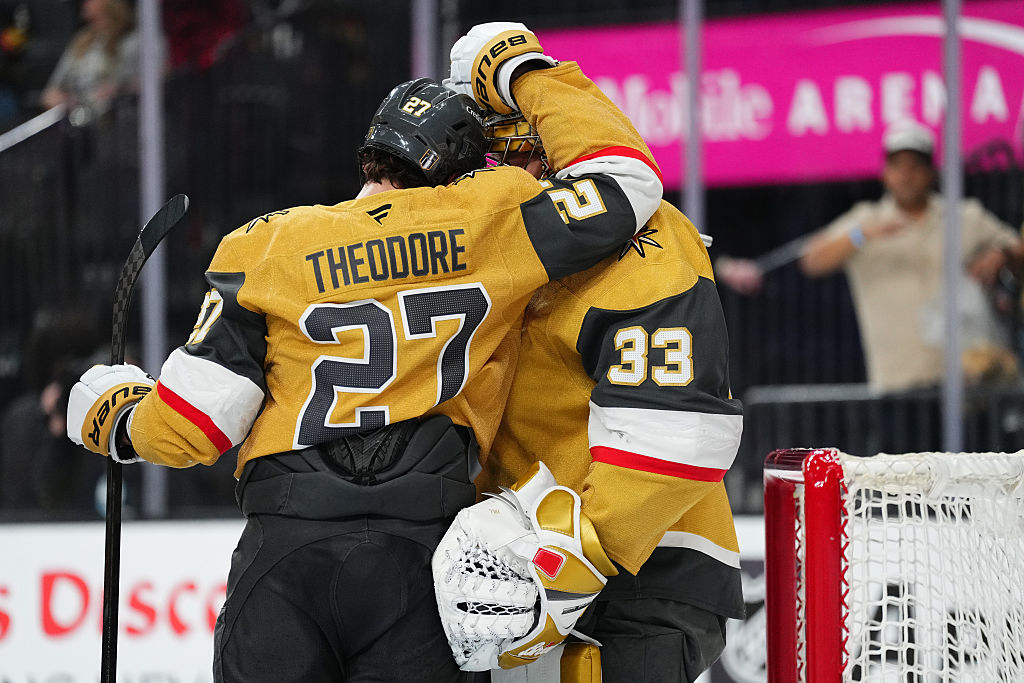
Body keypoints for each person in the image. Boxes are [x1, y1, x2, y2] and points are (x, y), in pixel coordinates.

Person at [65, 21, 663, 682]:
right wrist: (521, 68)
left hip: (287, 556)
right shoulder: (495, 211)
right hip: (425, 561)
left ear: (372, 153)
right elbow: (628, 181)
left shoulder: (266, 243)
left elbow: (197, 425)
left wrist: (117, 416)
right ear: (462, 168)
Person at [467, 113, 745, 681]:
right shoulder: (511, 245)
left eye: (508, 152)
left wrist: (584, 554)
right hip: (543, 563)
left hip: (642, 568)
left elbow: (678, 429)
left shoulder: (642, 230)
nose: (491, 173)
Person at [799, 120, 1024, 395]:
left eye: (915, 167)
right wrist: (861, 235)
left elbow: (1017, 248)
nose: (906, 175)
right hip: (898, 381)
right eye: (898, 167)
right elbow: (811, 260)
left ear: (931, 172)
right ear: (885, 173)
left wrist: (1003, 254)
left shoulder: (965, 216)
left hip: (968, 383)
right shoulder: (866, 220)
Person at [40, 0, 141, 124]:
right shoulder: (81, 41)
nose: (84, 4)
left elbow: (151, 82)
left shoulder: (135, 41)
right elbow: (50, 93)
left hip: (119, 120)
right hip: (80, 121)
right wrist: (63, 101)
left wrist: (120, 90)